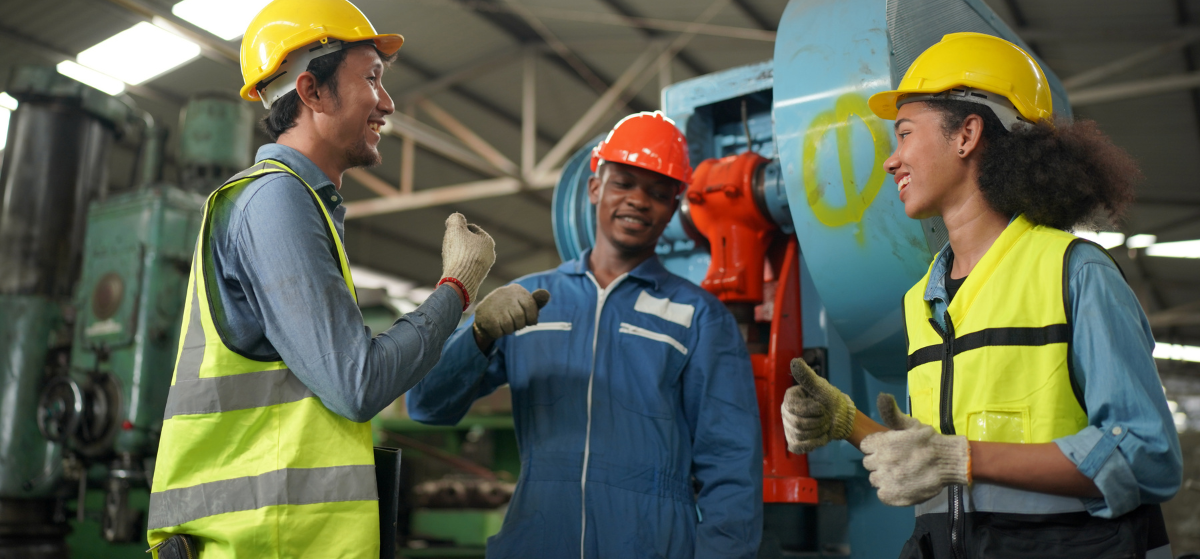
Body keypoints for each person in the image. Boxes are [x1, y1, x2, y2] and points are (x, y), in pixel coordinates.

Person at [146, 0, 522, 558]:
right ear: (311, 91)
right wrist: (457, 287)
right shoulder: (275, 202)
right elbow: (358, 383)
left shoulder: (303, 206)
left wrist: (472, 331)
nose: (387, 102)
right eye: (372, 77)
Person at [781, 32, 1182, 558]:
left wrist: (963, 459)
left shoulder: (1075, 272)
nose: (891, 161)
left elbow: (1148, 457)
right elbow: (937, 463)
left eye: (903, 134)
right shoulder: (922, 299)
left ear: (966, 134)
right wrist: (847, 423)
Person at [407, 111, 764, 558]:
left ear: (674, 207)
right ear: (595, 188)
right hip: (538, 541)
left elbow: (731, 463)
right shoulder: (534, 301)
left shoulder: (698, 316)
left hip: (650, 545)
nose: (638, 201)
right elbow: (425, 405)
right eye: (623, 184)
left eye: (658, 192)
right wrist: (476, 335)